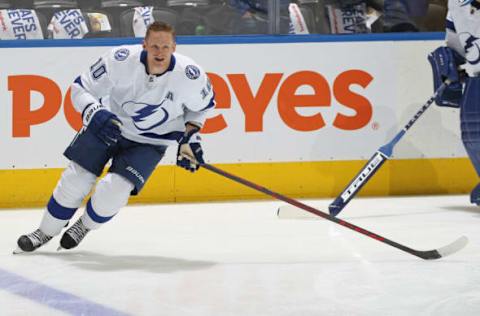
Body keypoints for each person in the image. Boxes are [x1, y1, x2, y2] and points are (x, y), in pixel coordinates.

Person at [14, 21, 215, 253]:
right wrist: (95, 112)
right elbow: (80, 88)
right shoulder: (120, 59)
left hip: (151, 142)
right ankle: (45, 231)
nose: (160, 53)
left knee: (115, 190)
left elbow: (201, 108)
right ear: (144, 45)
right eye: (155, 46)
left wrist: (190, 137)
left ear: (174, 48)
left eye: (165, 47)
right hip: (109, 126)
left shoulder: (190, 76)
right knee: (75, 180)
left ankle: (84, 226)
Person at [427, 0, 480, 204]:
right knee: (473, 136)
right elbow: (456, 44)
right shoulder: (457, 3)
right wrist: (451, 63)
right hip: (477, 78)